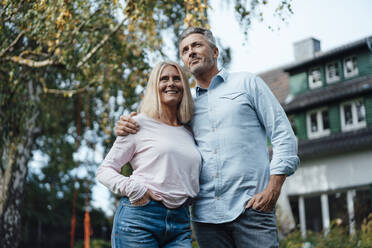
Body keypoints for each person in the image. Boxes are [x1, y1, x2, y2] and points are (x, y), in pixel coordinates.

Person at [115, 27, 299, 248]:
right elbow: (160, 127)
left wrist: (274, 187)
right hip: (206, 218)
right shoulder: (185, 106)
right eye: (185, 50)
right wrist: (129, 122)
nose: (191, 52)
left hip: (252, 208)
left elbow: (283, 134)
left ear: (215, 51)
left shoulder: (247, 84)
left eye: (197, 45)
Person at [96, 61, 201, 248]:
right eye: (164, 79)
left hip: (180, 222)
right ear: (154, 86)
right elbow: (104, 170)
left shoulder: (189, 131)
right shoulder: (137, 124)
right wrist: (134, 188)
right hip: (141, 218)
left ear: (184, 86)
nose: (171, 83)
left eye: (177, 79)